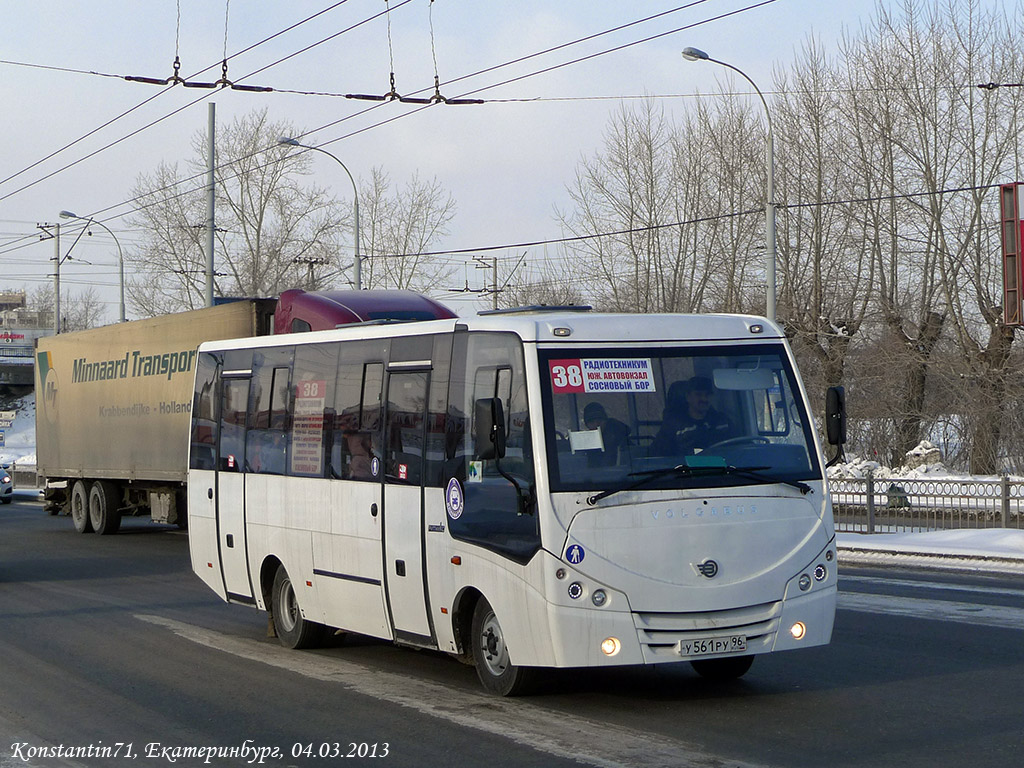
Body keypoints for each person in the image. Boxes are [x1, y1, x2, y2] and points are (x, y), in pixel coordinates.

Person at [651, 376, 734, 455]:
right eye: (698, 394)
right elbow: (660, 458)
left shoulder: (723, 422)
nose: (704, 399)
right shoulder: (673, 427)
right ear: (688, 397)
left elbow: (737, 449)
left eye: (707, 395)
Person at [582, 402, 630, 466]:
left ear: (606, 421)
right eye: (592, 422)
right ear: (587, 425)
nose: (597, 425)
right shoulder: (585, 443)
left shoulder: (620, 439)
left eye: (599, 421)